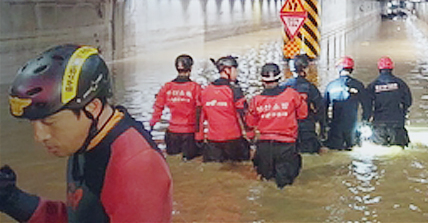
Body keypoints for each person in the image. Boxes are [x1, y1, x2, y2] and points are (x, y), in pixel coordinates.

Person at [1, 44, 172, 222]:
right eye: (33, 123)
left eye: (49, 122)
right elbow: (83, 217)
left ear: (92, 107)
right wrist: (11, 199)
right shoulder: (87, 139)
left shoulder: (136, 166)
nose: (39, 136)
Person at [246, 63, 307, 188]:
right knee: (285, 185)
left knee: (266, 182)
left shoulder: (256, 100)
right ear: (279, 78)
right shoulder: (292, 94)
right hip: (286, 146)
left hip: (264, 146)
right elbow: (303, 114)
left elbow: (250, 123)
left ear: (262, 80)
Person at [149, 54, 202, 160]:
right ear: (190, 68)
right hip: (189, 133)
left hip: (172, 133)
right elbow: (201, 110)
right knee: (190, 164)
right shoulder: (195, 88)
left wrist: (152, 125)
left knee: (172, 161)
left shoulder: (167, 87)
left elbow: (158, 108)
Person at [197, 55, 250, 162]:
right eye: (235, 70)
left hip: (213, 142)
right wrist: (250, 134)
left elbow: (199, 116)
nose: (237, 73)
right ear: (227, 70)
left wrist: (199, 137)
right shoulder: (234, 90)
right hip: (233, 140)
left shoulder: (206, 90)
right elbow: (244, 114)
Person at [365, 56, 412, 147]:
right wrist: (403, 112)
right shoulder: (400, 84)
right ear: (392, 68)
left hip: (379, 123)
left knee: (379, 150)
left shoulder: (373, 86)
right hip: (396, 123)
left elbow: (367, 106)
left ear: (379, 68)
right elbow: (408, 101)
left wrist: (367, 119)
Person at [322, 56, 368, 150]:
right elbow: (366, 106)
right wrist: (365, 121)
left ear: (339, 69)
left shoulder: (330, 86)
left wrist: (325, 125)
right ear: (351, 69)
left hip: (335, 128)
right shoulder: (358, 85)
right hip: (352, 128)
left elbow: (323, 108)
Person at [282, 54, 324, 154]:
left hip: (288, 131)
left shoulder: (283, 87)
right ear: (305, 68)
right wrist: (322, 129)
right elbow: (320, 108)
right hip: (306, 129)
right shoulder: (310, 87)